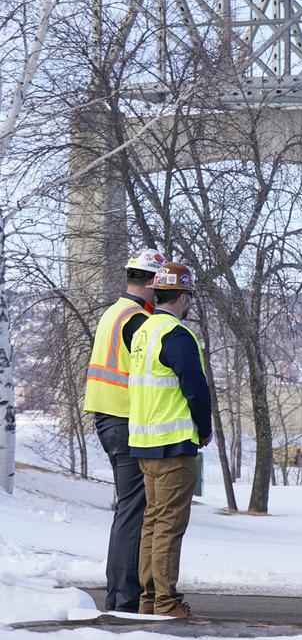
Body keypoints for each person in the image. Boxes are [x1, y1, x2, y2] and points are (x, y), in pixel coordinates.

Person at [127, 262, 211, 619]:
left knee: (153, 521)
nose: (188, 302)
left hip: (145, 443)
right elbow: (195, 387)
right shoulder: (176, 335)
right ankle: (165, 601)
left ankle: (148, 598)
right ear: (181, 296)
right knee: (169, 526)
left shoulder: (143, 332)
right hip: (174, 445)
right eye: (188, 296)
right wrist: (204, 428)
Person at [82, 248, 165, 613]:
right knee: (134, 510)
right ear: (150, 281)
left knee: (128, 508)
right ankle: (124, 597)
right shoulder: (136, 320)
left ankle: (120, 593)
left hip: (108, 417)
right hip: (125, 420)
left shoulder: (114, 312)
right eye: (159, 282)